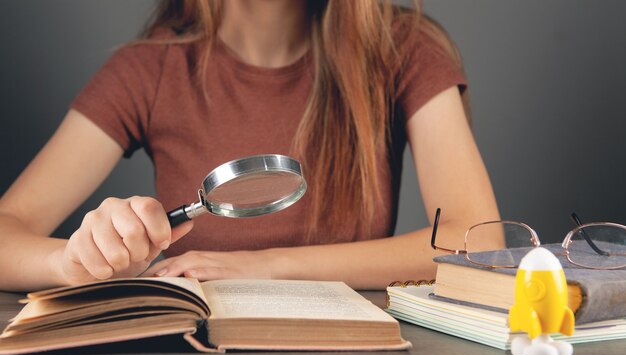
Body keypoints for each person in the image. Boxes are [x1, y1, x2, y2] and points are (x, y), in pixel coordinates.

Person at [0, 0, 500, 292]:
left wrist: (266, 265)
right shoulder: (150, 70)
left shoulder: (402, 48)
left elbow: (479, 238)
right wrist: (71, 262)